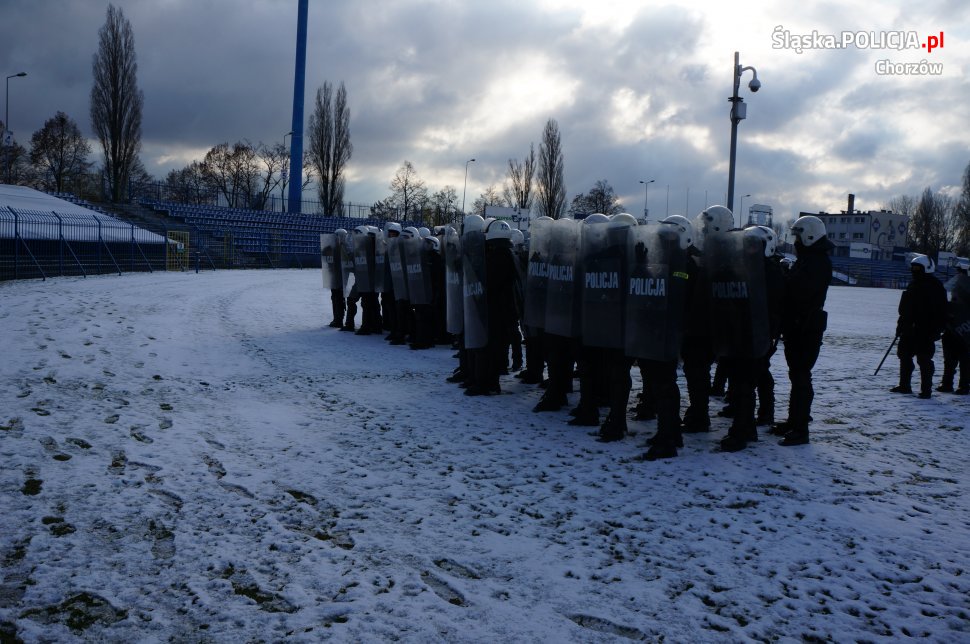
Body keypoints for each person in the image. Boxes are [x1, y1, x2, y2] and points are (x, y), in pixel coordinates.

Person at [770, 215, 833, 446]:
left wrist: (784, 276)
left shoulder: (816, 262)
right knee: (796, 375)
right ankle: (794, 420)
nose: (795, 240)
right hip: (798, 325)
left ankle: (801, 428)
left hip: (805, 327)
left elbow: (798, 292)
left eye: (798, 236)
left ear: (809, 236)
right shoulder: (809, 259)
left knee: (801, 375)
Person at [891, 254, 948, 398]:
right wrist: (901, 325)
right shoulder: (913, 284)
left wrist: (937, 329)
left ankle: (926, 390)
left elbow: (941, 310)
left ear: (926, 268)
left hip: (926, 329)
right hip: (909, 327)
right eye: (913, 267)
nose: (914, 270)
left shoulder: (935, 286)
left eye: (917, 268)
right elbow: (905, 308)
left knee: (924, 359)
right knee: (904, 355)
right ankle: (904, 385)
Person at [938, 260, 970, 394]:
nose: (958, 274)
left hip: (965, 326)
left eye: (961, 271)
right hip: (954, 324)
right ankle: (947, 383)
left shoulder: (964, 285)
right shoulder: (957, 283)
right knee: (950, 357)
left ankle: (963, 385)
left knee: (964, 358)